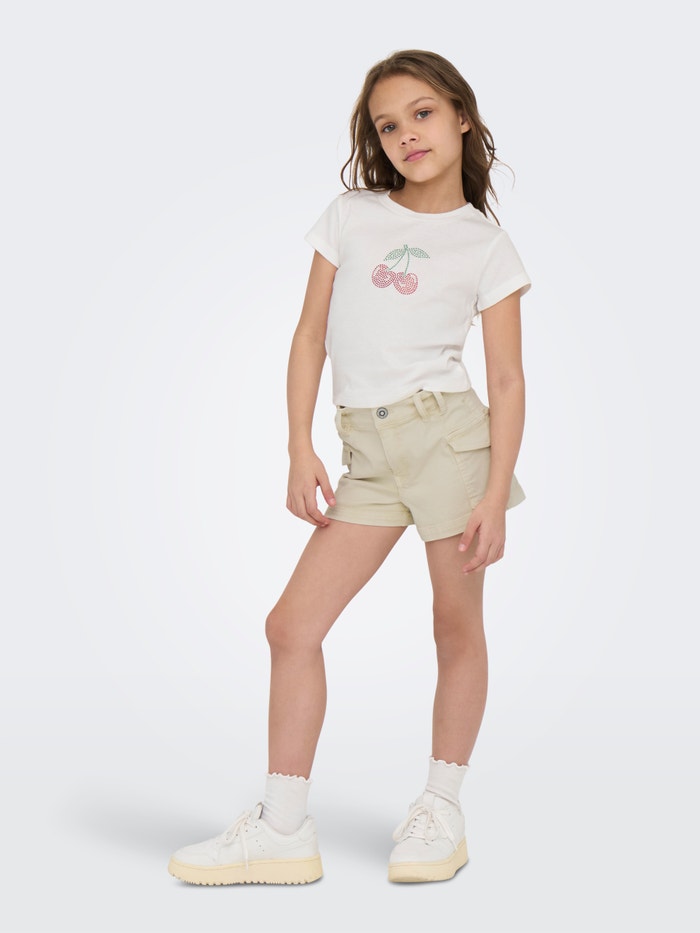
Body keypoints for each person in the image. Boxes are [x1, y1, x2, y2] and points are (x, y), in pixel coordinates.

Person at [168, 48, 531, 886]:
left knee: (454, 626)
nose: (407, 133)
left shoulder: (486, 245)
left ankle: (440, 807)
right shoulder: (351, 215)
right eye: (387, 124)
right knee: (291, 627)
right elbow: (310, 335)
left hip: (448, 446)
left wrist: (493, 493)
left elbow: (508, 380)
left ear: (462, 115)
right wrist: (299, 444)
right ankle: (283, 829)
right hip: (366, 452)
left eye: (423, 113)